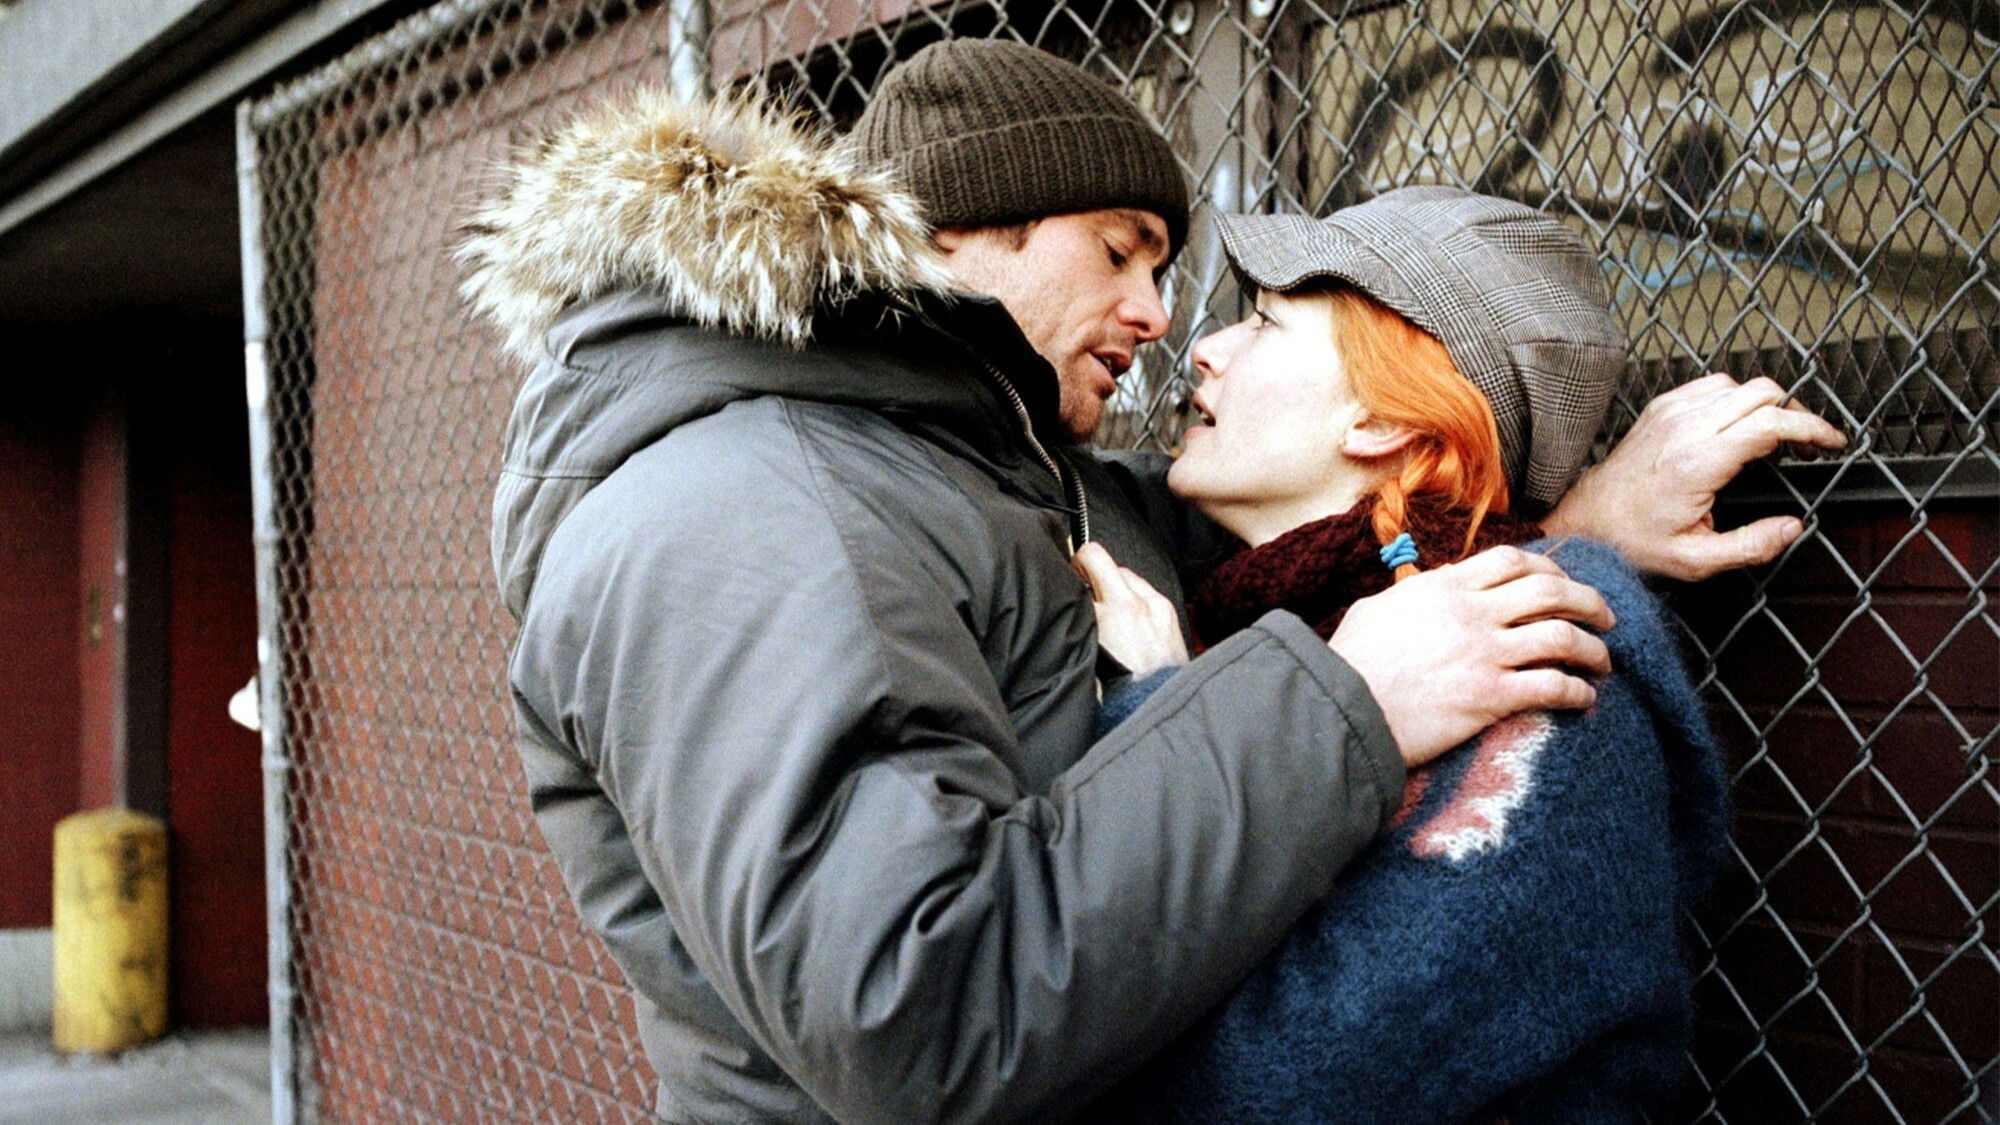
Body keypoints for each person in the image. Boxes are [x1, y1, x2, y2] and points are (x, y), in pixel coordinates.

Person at [458, 39, 1841, 1122]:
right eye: (1119, 250)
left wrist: (1571, 530)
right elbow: (919, 1013)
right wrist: (1325, 702)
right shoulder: (761, 509)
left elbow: (1330, 539)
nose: (1166, 323)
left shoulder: (1003, 479)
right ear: (951, 233)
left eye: (1207, 292)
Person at [1080, 186, 1729, 1120]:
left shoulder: (1543, 679)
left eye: (1264, 323)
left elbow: (1274, 1086)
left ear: (1382, 421)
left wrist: (1161, 711)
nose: (1206, 348)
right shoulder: (1262, 623)